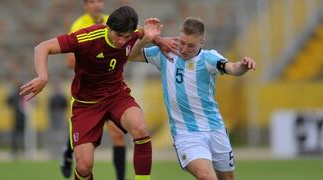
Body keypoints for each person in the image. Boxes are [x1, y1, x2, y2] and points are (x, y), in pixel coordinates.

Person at [20, 6, 175, 180]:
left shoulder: (132, 33)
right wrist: (42, 76)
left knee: (140, 128)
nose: (122, 42)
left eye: (127, 37)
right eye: (118, 36)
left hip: (117, 96)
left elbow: (143, 33)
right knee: (84, 166)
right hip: (86, 104)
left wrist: (159, 41)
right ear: (108, 28)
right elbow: (42, 47)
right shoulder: (86, 37)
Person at [129, 17, 256, 180]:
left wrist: (243, 65)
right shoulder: (166, 52)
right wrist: (147, 38)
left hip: (215, 128)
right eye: (182, 42)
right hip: (186, 133)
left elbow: (231, 67)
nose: (184, 49)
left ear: (201, 42)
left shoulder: (209, 58)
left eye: (191, 45)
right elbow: (131, 55)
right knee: (207, 176)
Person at [61, 1, 128, 179]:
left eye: (99, 0)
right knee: (81, 134)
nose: (96, 5)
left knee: (118, 135)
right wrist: (95, 61)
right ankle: (68, 152)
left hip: (111, 92)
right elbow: (69, 62)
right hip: (87, 93)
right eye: (92, 1)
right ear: (85, 5)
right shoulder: (79, 25)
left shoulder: (112, 23)